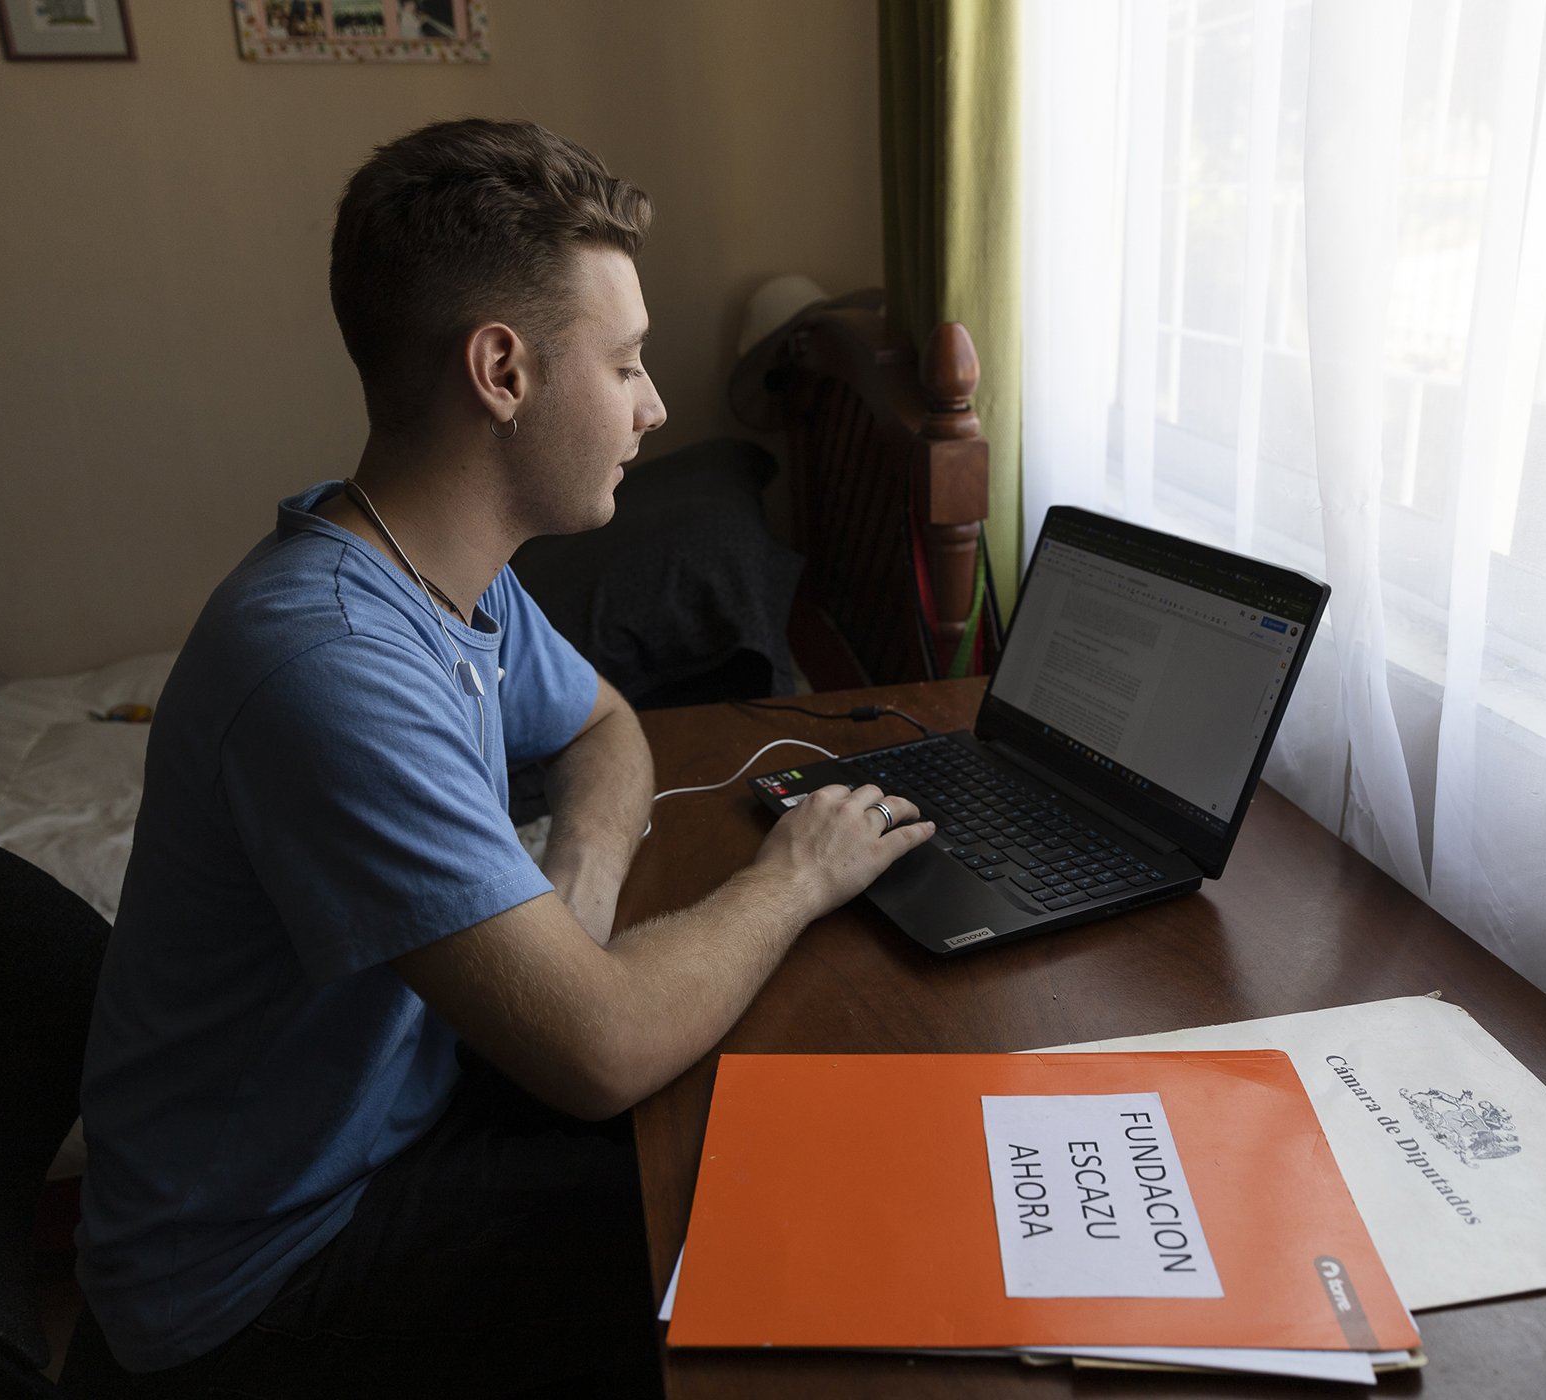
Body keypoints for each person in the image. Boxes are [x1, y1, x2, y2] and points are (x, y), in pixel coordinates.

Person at [59, 118, 934, 1397]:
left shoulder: (437, 568)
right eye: (627, 361)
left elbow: (601, 724)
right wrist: (799, 869)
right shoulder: (332, 662)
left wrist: (579, 885)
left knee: (759, 1123)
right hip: (260, 1281)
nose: (656, 404)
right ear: (502, 370)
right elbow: (602, 1048)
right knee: (782, 1226)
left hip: (386, 1128)